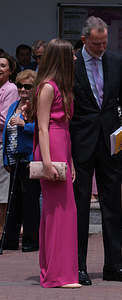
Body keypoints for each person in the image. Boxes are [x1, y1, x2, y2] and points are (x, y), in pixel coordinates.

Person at [71, 16, 122, 285]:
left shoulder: (115, 61)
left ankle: (114, 265)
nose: (101, 48)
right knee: (80, 208)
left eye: (104, 43)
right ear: (84, 39)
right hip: (81, 142)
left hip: (113, 142)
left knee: (112, 206)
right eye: (96, 44)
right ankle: (78, 266)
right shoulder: (72, 63)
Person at [27, 38, 80, 288]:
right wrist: (48, 162)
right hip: (51, 149)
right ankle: (57, 274)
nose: (76, 58)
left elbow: (63, 128)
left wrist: (70, 161)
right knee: (57, 212)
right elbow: (42, 127)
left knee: (63, 212)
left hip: (62, 146)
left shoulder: (60, 86)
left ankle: (58, 271)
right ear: (62, 58)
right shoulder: (48, 87)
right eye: (72, 55)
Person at [1, 70, 41, 252]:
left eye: (27, 86)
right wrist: (5, 160)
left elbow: (43, 128)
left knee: (30, 201)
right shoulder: (14, 105)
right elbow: (5, 133)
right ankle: (9, 239)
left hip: (29, 159)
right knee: (14, 201)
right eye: (20, 86)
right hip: (14, 158)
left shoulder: (36, 105)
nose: (23, 89)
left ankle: (31, 241)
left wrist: (25, 125)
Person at [0, 52, 19, 235]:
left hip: (2, 143)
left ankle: (2, 230)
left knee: (3, 190)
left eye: (3, 66)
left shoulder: (11, 89)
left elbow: (5, 120)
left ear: (10, 70)